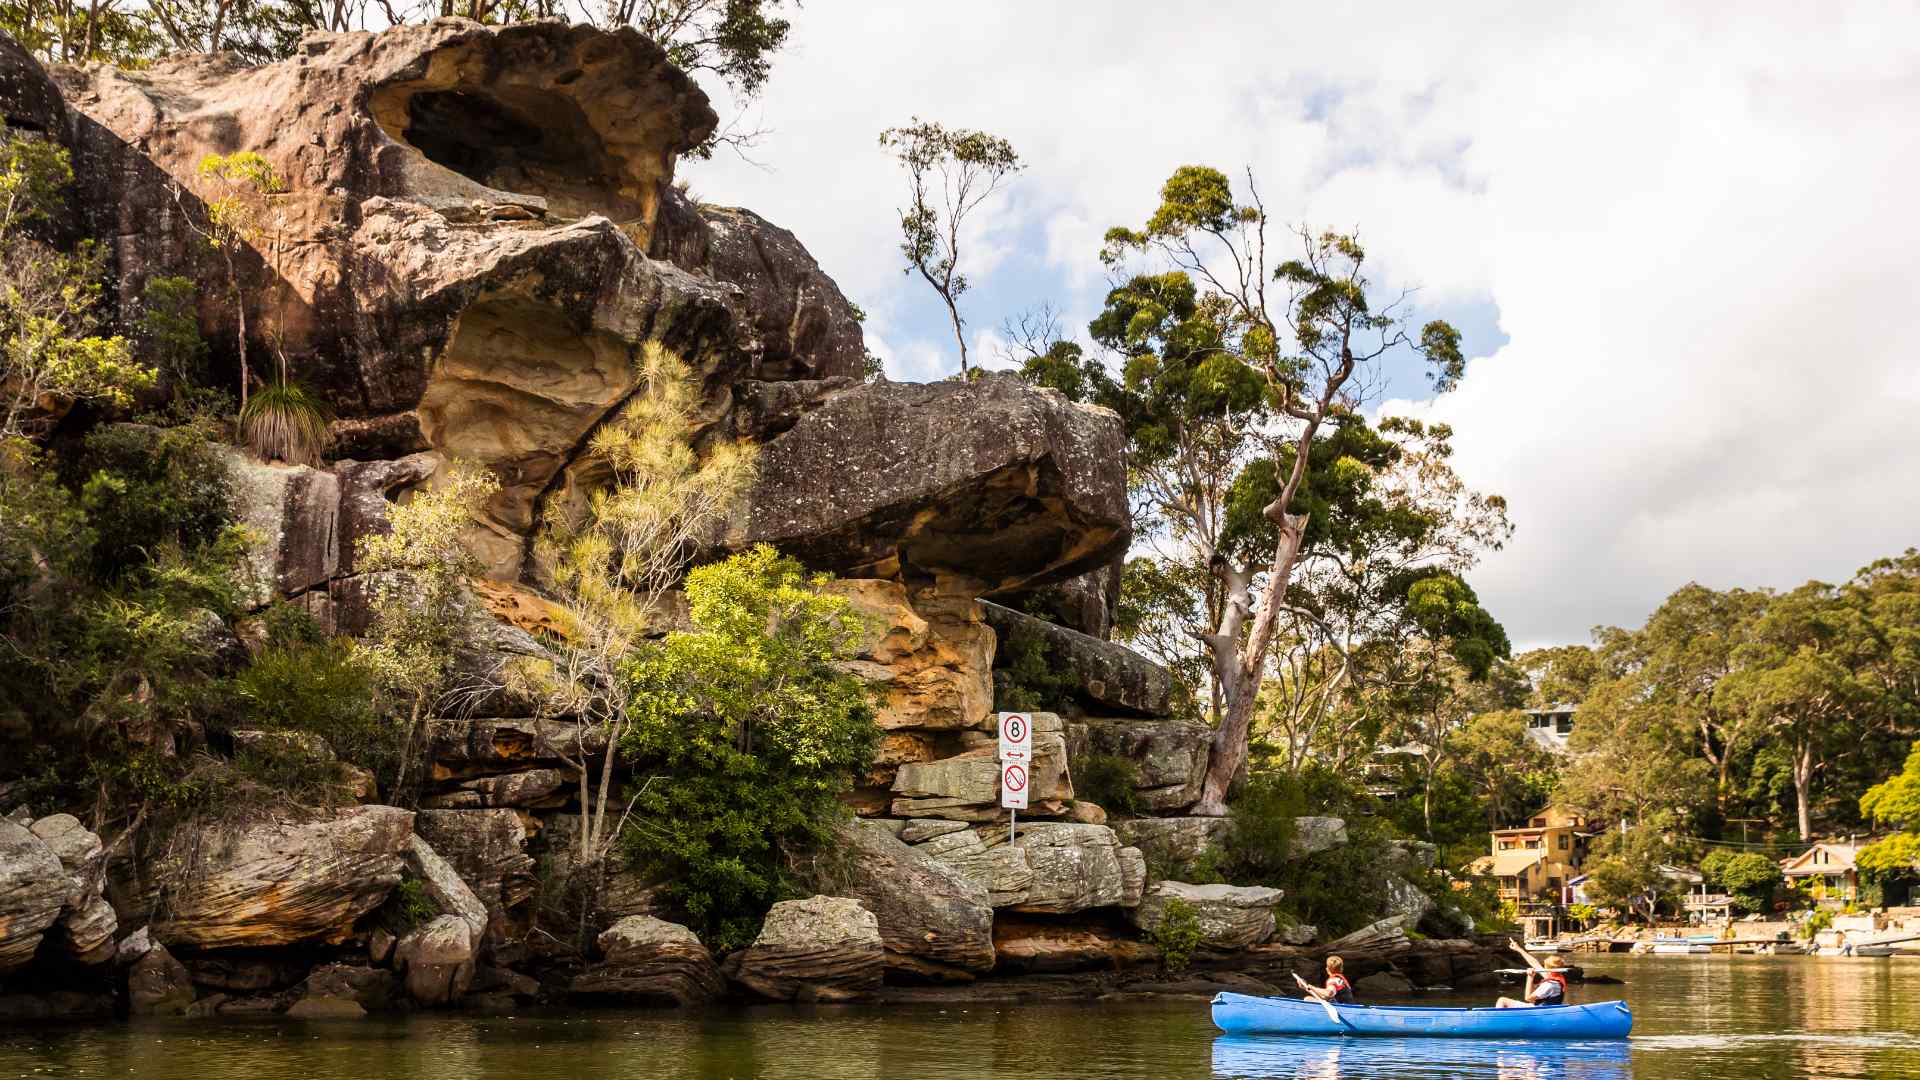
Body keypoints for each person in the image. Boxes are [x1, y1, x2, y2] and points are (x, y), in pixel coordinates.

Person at [1496, 953, 1569, 1008]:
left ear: (1547, 968)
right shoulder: (1559, 977)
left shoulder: (1549, 984)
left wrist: (1530, 977)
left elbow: (1528, 998)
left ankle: (1496, 1021)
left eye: (1544, 966)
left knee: (1502, 1000)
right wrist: (1519, 949)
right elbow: (1535, 963)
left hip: (1539, 1011)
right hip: (1545, 1009)